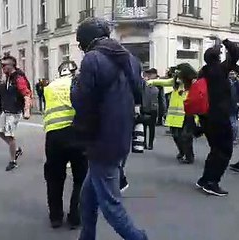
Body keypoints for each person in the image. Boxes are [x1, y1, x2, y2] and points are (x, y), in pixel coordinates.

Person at [72, 17, 147, 240]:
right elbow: (139, 93)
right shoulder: (130, 59)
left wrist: (74, 84)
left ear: (86, 40)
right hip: (120, 136)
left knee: (111, 206)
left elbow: (81, 101)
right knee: (87, 199)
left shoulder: (92, 59)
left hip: (101, 140)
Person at [43, 60, 87, 229]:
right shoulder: (79, 84)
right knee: (80, 177)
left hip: (54, 136)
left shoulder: (49, 87)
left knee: (54, 177)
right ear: (74, 71)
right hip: (77, 134)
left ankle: (55, 217)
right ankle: (75, 217)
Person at [196, 39, 239, 196]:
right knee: (224, 150)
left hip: (206, 116)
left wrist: (216, 48)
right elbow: (236, 52)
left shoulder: (203, 71)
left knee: (215, 149)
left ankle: (205, 179)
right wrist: (226, 42)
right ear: (219, 58)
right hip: (219, 116)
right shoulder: (221, 70)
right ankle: (211, 182)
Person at [148, 63, 198, 164]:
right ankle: (182, 152)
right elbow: (163, 82)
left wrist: (197, 117)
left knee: (185, 137)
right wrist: (150, 82)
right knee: (176, 136)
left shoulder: (193, 83)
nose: (177, 75)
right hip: (175, 115)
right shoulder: (175, 82)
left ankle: (189, 156)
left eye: (179, 73)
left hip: (188, 114)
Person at [0, 55, 32, 171]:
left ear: (11, 66)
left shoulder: (18, 78)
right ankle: (16, 150)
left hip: (14, 111)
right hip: (7, 109)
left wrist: (27, 111)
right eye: (1, 65)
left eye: (4, 65)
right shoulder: (9, 76)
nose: (2, 68)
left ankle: (13, 161)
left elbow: (27, 95)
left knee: (9, 136)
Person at [141, 68, 159, 150]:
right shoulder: (144, 83)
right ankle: (144, 142)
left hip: (153, 108)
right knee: (143, 126)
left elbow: (161, 97)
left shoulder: (158, 84)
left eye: (150, 74)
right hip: (144, 106)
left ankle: (150, 143)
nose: (149, 76)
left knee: (152, 127)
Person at [229, 71, 239, 145]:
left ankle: (234, 138)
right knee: (232, 122)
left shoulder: (237, 83)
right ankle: (232, 137)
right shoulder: (228, 82)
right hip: (227, 105)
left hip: (233, 105)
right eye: (230, 73)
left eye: (233, 73)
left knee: (233, 122)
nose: (231, 75)